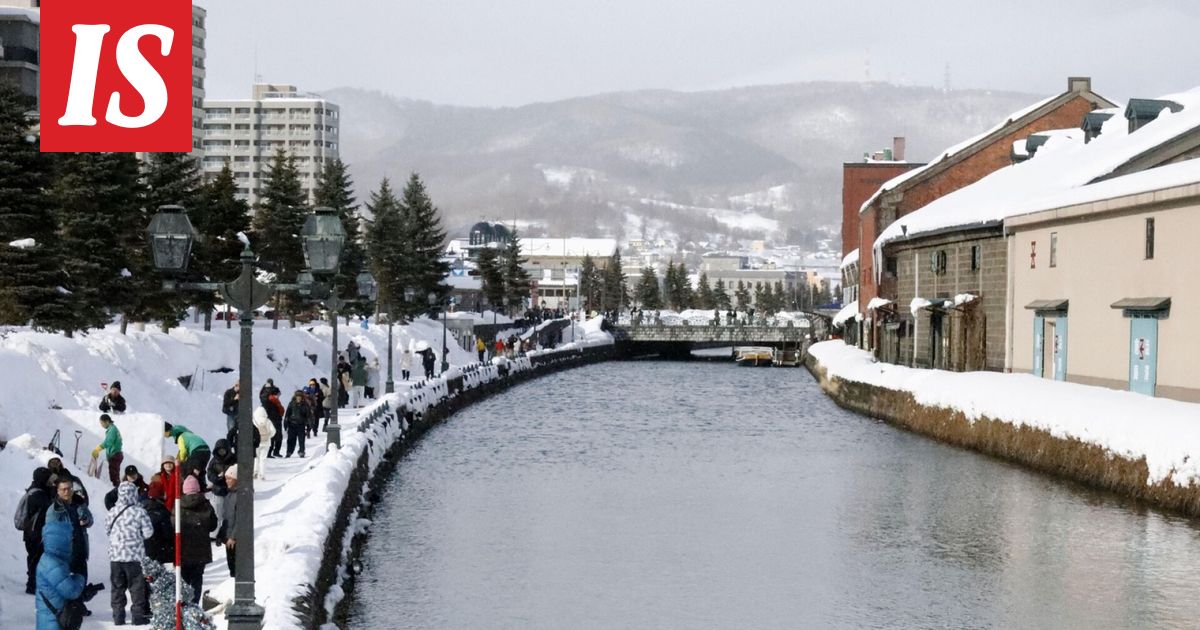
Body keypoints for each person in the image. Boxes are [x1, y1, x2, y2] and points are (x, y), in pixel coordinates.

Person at [105, 481, 154, 626]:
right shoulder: (140, 512)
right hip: (135, 556)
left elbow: (107, 530)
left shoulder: (112, 511)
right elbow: (149, 532)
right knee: (137, 588)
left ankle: (118, 617)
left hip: (116, 556)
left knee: (117, 588)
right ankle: (138, 617)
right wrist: (135, 537)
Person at [35, 514, 89, 630]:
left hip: (51, 619)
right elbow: (71, 591)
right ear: (61, 541)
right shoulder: (53, 563)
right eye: (69, 539)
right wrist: (80, 578)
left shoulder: (50, 559)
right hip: (53, 622)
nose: (71, 543)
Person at [49, 477, 93, 608]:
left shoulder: (79, 503)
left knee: (81, 578)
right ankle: (64, 608)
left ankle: (78, 606)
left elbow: (90, 519)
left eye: (69, 489)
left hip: (79, 547)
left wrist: (86, 520)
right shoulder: (54, 509)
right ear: (58, 491)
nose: (67, 492)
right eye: (64, 489)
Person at [179, 475, 217, 604]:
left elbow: (173, 525)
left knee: (183, 578)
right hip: (201, 549)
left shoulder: (179, 505)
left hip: (183, 549)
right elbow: (213, 526)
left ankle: (184, 603)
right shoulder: (206, 504)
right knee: (197, 578)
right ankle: (194, 603)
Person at [18, 467, 53, 595]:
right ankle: (32, 585)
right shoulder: (37, 494)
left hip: (31, 533)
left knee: (34, 558)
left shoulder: (34, 490)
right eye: (48, 479)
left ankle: (33, 583)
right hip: (35, 534)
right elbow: (49, 507)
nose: (50, 482)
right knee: (36, 559)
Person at [164, 423, 211, 490]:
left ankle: (189, 488)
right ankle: (202, 486)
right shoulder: (189, 435)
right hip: (206, 451)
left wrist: (181, 461)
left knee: (186, 469)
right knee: (199, 469)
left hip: (197, 451)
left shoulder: (181, 437)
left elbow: (183, 451)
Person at [141, 478, 174, 566]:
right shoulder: (162, 512)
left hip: (142, 549)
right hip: (159, 549)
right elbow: (168, 533)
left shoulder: (141, 509)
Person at [215, 465, 240, 577]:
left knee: (236, 567)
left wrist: (233, 537)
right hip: (228, 537)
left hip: (235, 539)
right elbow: (226, 518)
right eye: (226, 478)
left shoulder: (240, 495)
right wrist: (221, 534)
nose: (227, 481)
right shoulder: (229, 494)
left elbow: (241, 518)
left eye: (229, 478)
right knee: (231, 566)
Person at [91, 414, 124, 488]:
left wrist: (98, 449)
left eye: (102, 423)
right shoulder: (112, 429)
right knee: (115, 475)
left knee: (114, 476)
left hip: (115, 455)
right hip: (116, 454)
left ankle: (117, 490)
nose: (101, 425)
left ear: (107, 421)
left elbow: (108, 442)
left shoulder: (112, 430)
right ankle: (117, 489)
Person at [284, 390, 312, 457]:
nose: (298, 398)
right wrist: (285, 424)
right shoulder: (291, 404)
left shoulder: (305, 405)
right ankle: (289, 452)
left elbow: (308, 416)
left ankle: (301, 451)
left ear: (302, 397)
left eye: (300, 397)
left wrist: (309, 427)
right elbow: (287, 414)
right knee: (291, 440)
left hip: (301, 425)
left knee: (301, 440)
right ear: (295, 397)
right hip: (292, 425)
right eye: (297, 396)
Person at [252, 407, 275, 480]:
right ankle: (262, 474)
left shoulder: (253, 420)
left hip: (256, 442)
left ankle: (255, 472)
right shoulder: (267, 421)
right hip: (266, 442)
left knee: (256, 458)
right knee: (263, 459)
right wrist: (268, 436)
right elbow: (273, 431)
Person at [264, 387, 285, 458]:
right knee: (275, 437)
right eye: (278, 394)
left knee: (273, 437)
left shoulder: (270, 400)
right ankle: (273, 452)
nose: (279, 396)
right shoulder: (274, 401)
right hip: (274, 420)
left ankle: (271, 452)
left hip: (273, 420)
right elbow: (281, 411)